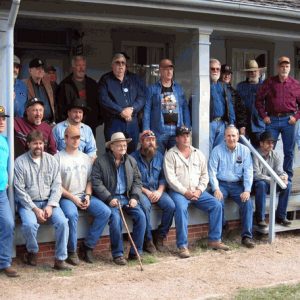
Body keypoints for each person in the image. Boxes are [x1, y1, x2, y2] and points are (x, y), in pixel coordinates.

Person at [164, 126, 229, 258]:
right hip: (179, 192)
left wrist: (199, 190)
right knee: (181, 208)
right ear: (177, 138)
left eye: (187, 135)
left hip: (197, 191)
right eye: (182, 135)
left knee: (216, 205)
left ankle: (215, 240)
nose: (186, 138)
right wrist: (185, 192)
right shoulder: (170, 155)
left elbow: (205, 175)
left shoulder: (198, 153)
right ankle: (182, 246)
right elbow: (171, 179)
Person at [14, 130, 70, 270]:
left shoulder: (51, 160)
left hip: (49, 201)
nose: (38, 146)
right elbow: (19, 190)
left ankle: (60, 259)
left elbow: (57, 186)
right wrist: (35, 209)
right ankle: (32, 251)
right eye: (35, 143)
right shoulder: (20, 162)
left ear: (44, 144)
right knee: (29, 225)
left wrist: (50, 205)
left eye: (40, 143)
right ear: (28, 144)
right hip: (28, 204)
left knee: (63, 222)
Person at [55, 125, 111, 265]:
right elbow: (56, 185)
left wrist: (87, 195)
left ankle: (88, 247)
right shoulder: (57, 158)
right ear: (65, 138)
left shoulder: (86, 158)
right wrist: (73, 198)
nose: (76, 140)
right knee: (72, 215)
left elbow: (90, 180)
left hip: (83, 195)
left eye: (78, 137)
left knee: (105, 212)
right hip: (66, 197)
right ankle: (72, 252)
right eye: (72, 137)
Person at [91, 132, 146, 265]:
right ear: (112, 147)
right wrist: (109, 198)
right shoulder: (101, 161)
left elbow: (138, 181)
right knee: (115, 220)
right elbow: (96, 182)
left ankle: (135, 252)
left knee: (141, 217)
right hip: (111, 198)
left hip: (127, 197)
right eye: (119, 145)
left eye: (124, 145)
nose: (123, 147)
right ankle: (118, 254)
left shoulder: (131, 161)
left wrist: (134, 197)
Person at [208, 125, 255, 248]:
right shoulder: (217, 150)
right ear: (224, 137)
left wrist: (247, 190)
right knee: (218, 201)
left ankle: (246, 237)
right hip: (221, 184)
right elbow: (212, 171)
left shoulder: (244, 150)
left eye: (233, 135)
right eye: (228, 135)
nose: (231, 138)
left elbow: (248, 171)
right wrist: (216, 189)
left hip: (237, 185)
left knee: (247, 202)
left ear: (238, 137)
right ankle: (222, 228)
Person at [256, 56, 300, 179]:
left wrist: (295, 117)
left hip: (289, 121)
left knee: (289, 151)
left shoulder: (296, 84)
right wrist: (264, 116)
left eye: (287, 66)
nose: (284, 68)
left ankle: (287, 177)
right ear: (278, 67)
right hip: (272, 120)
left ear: (290, 68)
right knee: (268, 149)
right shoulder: (269, 82)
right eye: (282, 66)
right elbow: (258, 100)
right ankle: (267, 177)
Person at [131, 130, 175, 253]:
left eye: (153, 140)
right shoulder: (133, 158)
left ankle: (160, 236)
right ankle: (148, 240)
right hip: (141, 191)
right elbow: (132, 181)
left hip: (157, 190)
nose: (151, 142)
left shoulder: (160, 156)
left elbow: (163, 177)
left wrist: (160, 191)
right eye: (147, 140)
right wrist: (147, 192)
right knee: (145, 206)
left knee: (170, 206)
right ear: (141, 142)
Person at [98, 53, 145, 153]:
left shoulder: (133, 79)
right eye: (117, 62)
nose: (120, 65)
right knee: (113, 154)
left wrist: (132, 109)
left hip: (132, 123)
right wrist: (120, 111)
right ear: (112, 65)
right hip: (114, 122)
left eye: (123, 63)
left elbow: (141, 97)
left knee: (131, 154)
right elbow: (104, 99)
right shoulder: (105, 80)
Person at [143, 58, 191, 153]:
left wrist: (187, 127)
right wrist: (146, 129)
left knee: (176, 159)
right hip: (159, 132)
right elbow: (147, 110)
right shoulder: (152, 89)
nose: (169, 72)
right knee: (157, 159)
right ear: (160, 70)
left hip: (176, 132)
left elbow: (185, 108)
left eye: (171, 69)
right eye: (166, 69)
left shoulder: (178, 88)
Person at [253, 131, 292, 227]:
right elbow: (256, 175)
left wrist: (284, 176)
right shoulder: (255, 154)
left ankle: (281, 216)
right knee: (261, 184)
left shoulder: (275, 154)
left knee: (288, 184)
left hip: (272, 182)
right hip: (257, 184)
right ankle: (260, 218)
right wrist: (275, 179)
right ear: (261, 143)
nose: (271, 145)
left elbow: (279, 170)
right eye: (268, 142)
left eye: (272, 142)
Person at [57, 55, 101, 135]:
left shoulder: (93, 84)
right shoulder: (64, 85)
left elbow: (99, 104)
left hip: (89, 126)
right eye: (78, 65)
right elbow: (60, 107)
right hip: (70, 127)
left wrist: (96, 121)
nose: (81, 68)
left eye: (83, 65)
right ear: (73, 68)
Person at [0, 106, 19, 277]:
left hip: (1, 194)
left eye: (3, 118)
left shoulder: (5, 140)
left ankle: (4, 262)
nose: (1, 121)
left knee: (8, 224)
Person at [236, 59, 265, 147]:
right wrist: (241, 125)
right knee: (241, 152)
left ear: (259, 72)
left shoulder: (265, 86)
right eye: (250, 71)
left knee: (259, 153)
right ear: (246, 73)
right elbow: (237, 106)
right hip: (243, 126)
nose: (252, 73)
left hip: (259, 125)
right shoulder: (240, 86)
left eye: (254, 71)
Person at [209, 59, 235, 152]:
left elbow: (230, 105)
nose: (215, 71)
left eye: (217, 69)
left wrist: (231, 124)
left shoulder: (223, 86)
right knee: (206, 151)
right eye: (212, 69)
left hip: (222, 123)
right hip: (209, 124)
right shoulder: (203, 85)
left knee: (218, 152)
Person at [23, 58, 55, 124]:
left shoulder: (48, 84)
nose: (41, 71)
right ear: (30, 70)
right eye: (37, 68)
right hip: (32, 124)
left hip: (49, 124)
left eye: (42, 68)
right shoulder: (23, 84)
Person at [220, 64, 247, 134]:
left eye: (228, 74)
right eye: (224, 74)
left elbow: (240, 110)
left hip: (231, 125)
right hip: (218, 124)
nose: (227, 76)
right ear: (220, 74)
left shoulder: (234, 92)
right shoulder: (213, 89)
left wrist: (242, 126)